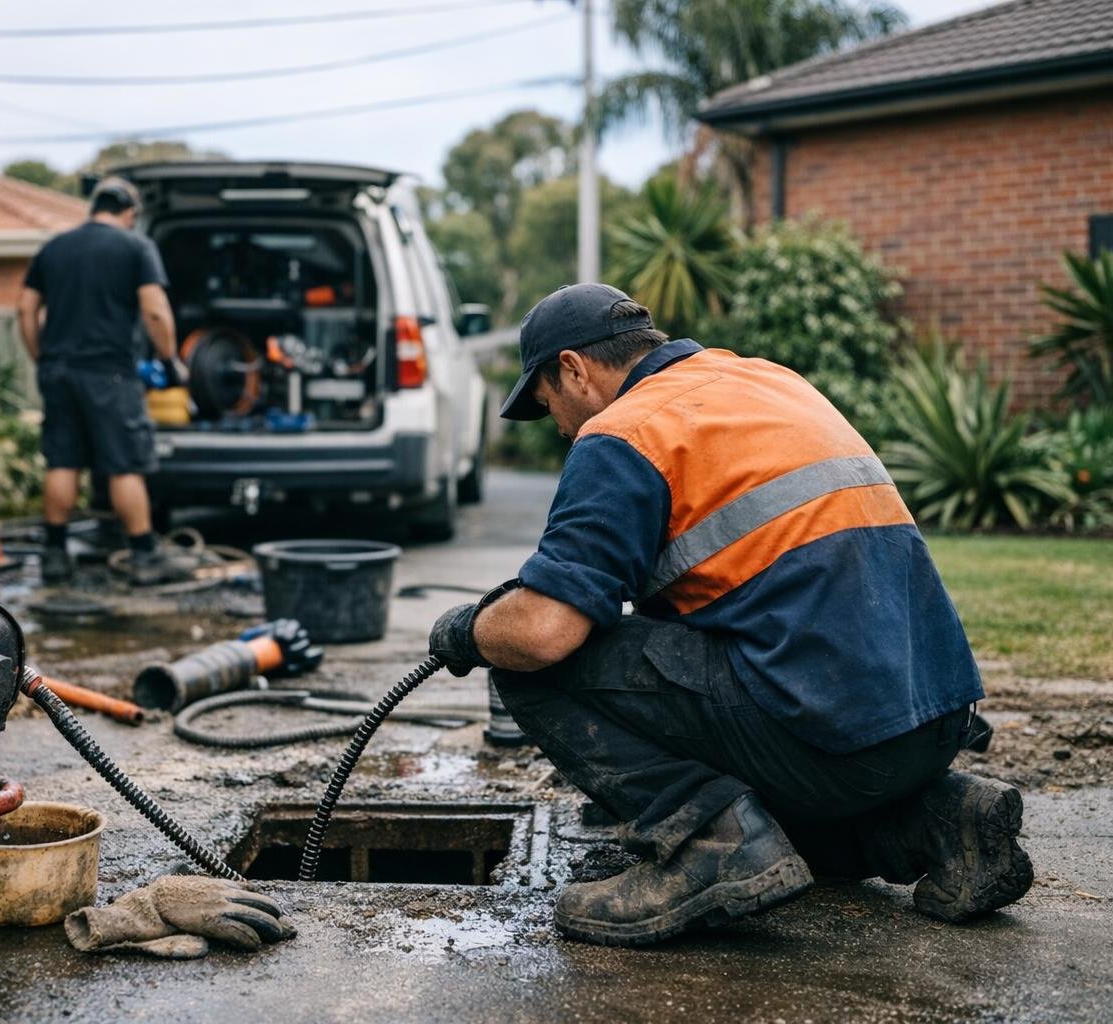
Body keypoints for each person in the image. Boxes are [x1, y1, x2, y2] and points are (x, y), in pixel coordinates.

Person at [430, 283, 1032, 947]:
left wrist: (469, 629)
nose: (565, 429)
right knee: (774, 815)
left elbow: (547, 631)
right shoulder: (767, 380)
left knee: (526, 668)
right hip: (932, 726)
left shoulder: (624, 432)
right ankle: (945, 821)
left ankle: (712, 845)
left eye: (551, 408)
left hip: (837, 742)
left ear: (573, 368)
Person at [17, 177, 190, 586]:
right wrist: (170, 361)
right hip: (110, 373)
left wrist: (43, 357)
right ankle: (146, 555)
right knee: (123, 463)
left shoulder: (55, 247)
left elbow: (25, 311)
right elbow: (155, 312)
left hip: (58, 371)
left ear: (94, 206)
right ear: (129, 212)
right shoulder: (135, 247)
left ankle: (55, 556)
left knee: (62, 460)